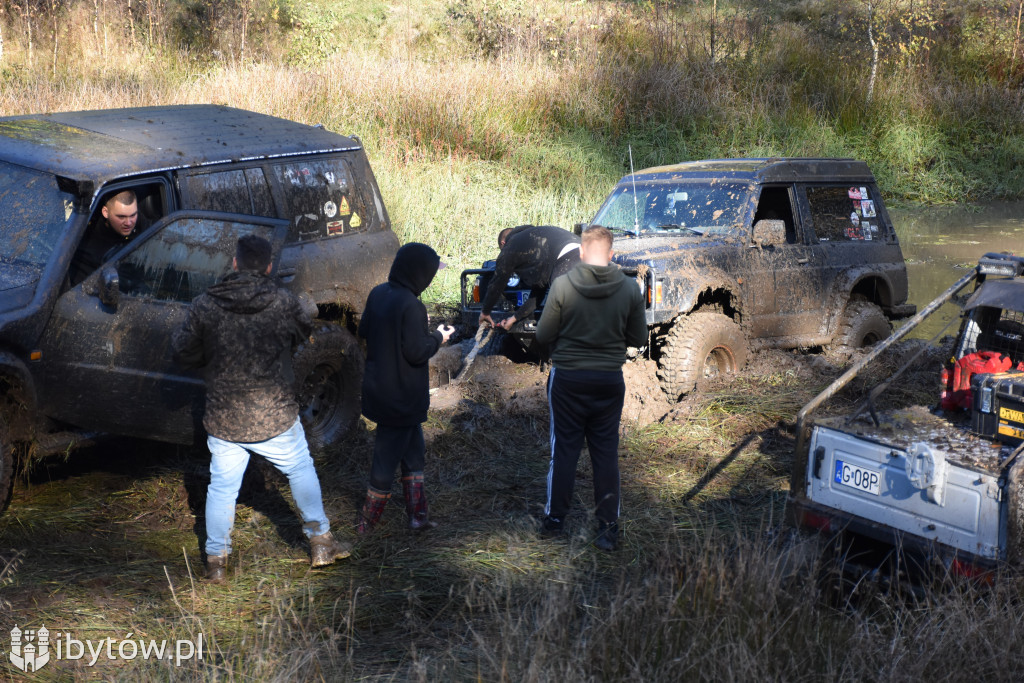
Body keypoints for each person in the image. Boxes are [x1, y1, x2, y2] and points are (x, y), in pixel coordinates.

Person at [171, 235, 350, 583]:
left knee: (221, 489)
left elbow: (181, 350)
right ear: (268, 267)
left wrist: (205, 355)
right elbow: (302, 334)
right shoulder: (282, 302)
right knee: (300, 470)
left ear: (235, 263)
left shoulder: (206, 304)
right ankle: (321, 542)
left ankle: (216, 563)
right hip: (275, 416)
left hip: (225, 419)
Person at [534, 225, 647, 551]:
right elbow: (639, 339)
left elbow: (542, 335)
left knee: (564, 452)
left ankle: (555, 522)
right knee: (606, 454)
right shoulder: (629, 289)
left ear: (582, 253)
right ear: (611, 255)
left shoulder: (563, 285)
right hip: (609, 381)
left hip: (568, 380)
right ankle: (608, 530)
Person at [356, 242, 454, 534]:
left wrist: (408, 325)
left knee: (414, 453)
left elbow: (364, 331)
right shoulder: (412, 305)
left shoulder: (378, 293)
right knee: (385, 460)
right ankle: (366, 524)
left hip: (381, 393)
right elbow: (417, 352)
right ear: (418, 273)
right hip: (401, 398)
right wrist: (438, 336)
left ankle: (418, 517)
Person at [478, 224, 580, 331]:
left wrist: (485, 311)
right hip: (589, 254)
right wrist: (514, 318)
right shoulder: (537, 237)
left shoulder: (511, 246)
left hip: (568, 262)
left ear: (503, 244)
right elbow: (537, 295)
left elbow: (497, 282)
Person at [69, 190, 142, 286]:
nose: (128, 223)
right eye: (121, 217)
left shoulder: (145, 226)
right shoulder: (89, 242)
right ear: (105, 212)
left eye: (133, 215)